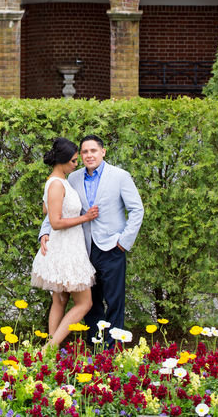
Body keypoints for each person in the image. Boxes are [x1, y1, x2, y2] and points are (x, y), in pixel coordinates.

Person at [39, 134, 144, 346]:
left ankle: (113, 350)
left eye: (93, 151)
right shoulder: (73, 178)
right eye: (84, 152)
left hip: (112, 248)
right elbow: (57, 208)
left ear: (103, 152)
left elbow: (136, 209)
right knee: (91, 302)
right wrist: (45, 232)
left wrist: (123, 242)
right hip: (82, 249)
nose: (88, 155)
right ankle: (95, 346)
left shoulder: (120, 176)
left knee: (114, 301)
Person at [31, 137, 98, 349]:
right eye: (74, 160)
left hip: (66, 246)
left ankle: (50, 351)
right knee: (85, 303)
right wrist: (85, 218)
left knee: (60, 301)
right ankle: (48, 349)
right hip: (66, 248)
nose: (77, 164)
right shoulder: (57, 183)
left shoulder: (57, 182)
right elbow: (56, 222)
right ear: (62, 160)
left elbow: (46, 209)